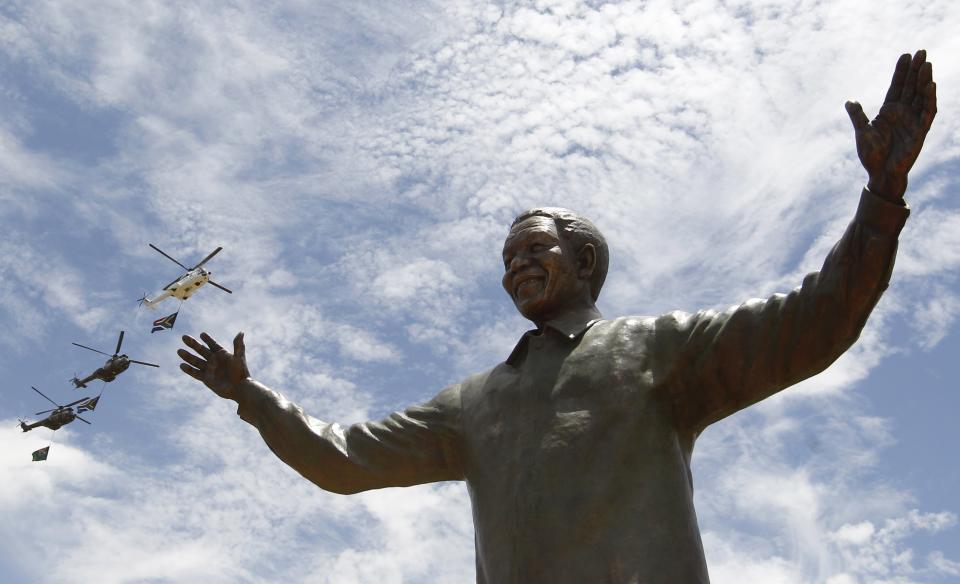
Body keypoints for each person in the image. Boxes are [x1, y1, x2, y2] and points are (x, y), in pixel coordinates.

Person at [178, 51, 937, 583]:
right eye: (507, 259)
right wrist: (251, 396)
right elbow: (342, 459)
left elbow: (817, 321)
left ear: (585, 263)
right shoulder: (472, 406)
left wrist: (880, 201)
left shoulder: (655, 350)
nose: (516, 267)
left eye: (533, 249)